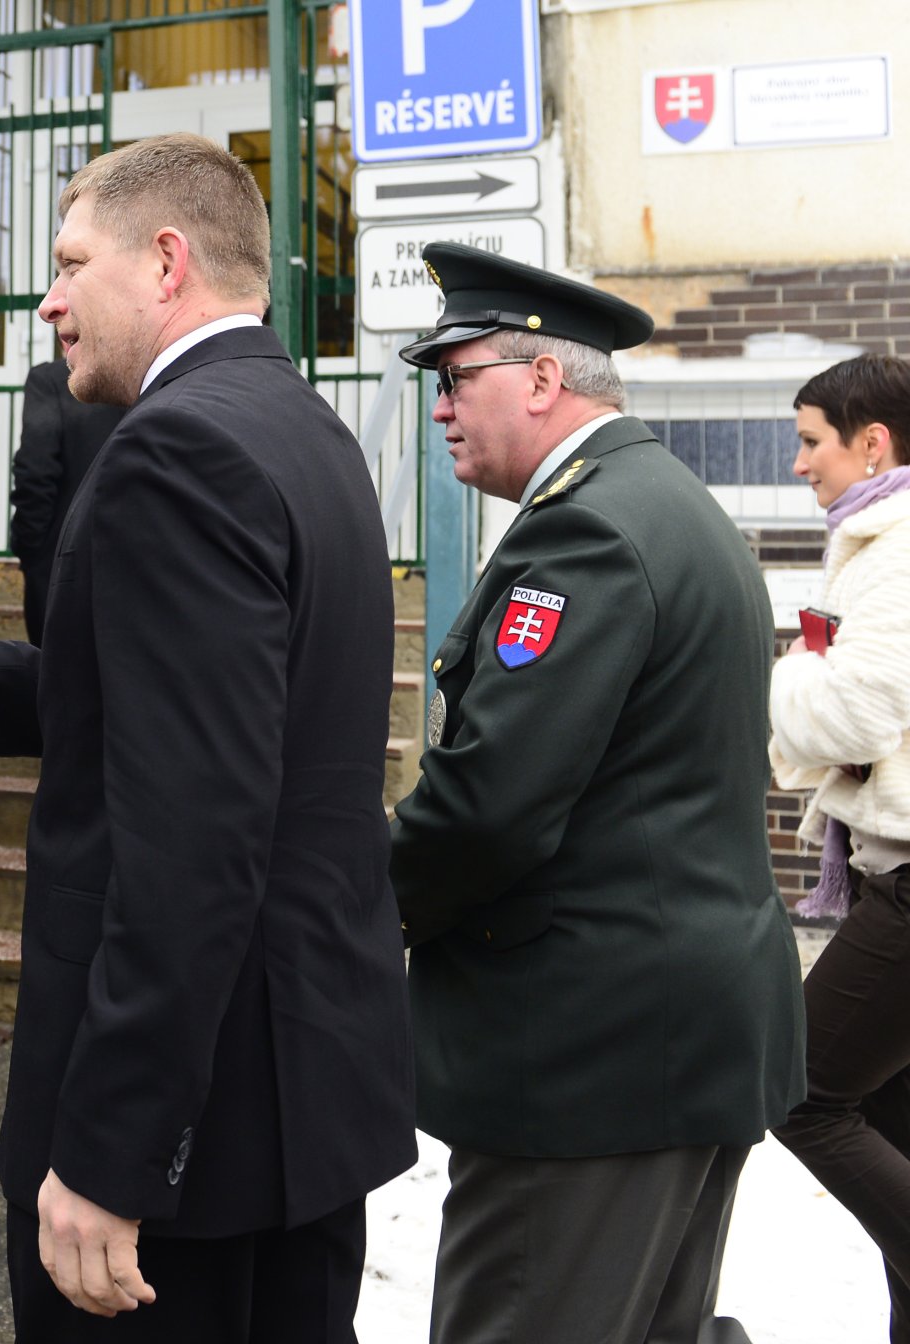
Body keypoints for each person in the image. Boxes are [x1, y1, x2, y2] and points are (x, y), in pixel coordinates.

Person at [0, 133, 416, 1342]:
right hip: (296, 1106)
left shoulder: (177, 449)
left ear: (164, 262)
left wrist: (111, 1154)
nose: (46, 301)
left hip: (186, 1161)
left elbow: (194, 834)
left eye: (66, 261)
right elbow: (188, 709)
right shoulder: (305, 430)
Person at [386, 242, 805, 1344]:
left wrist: (358, 901)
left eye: (455, 376)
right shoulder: (663, 500)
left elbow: (491, 806)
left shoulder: (585, 531)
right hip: (670, 1034)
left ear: (538, 379)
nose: (439, 408)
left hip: (591, 1053)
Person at [769, 354, 910, 1343]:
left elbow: (859, 712)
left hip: (905, 882)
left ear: (875, 443)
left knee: (803, 1092)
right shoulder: (875, 542)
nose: (798, 463)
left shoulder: (899, 550)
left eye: (812, 439)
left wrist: (773, 681)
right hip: (882, 874)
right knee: (893, 1127)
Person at [10, 357, 122, 644]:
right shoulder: (153, 374)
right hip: (135, 560)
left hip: (62, 562)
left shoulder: (53, 379)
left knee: (56, 674)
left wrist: (30, 549)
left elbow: (35, 470)